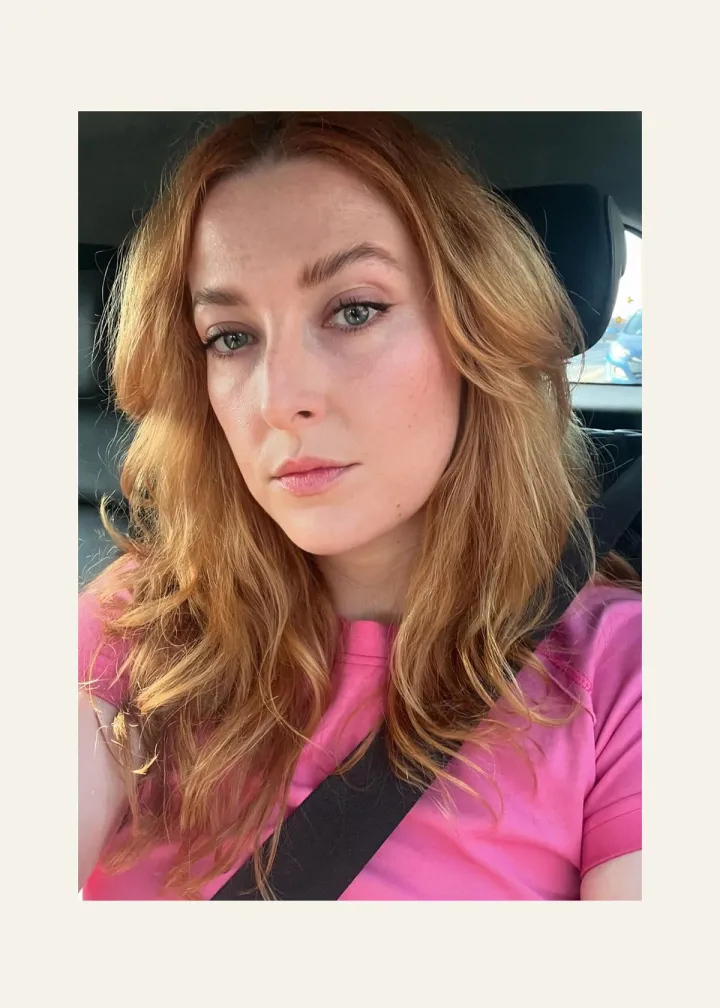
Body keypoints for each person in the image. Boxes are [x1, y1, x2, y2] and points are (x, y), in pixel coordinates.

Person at [79, 112, 641, 901]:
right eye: (231, 337)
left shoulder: (625, 674)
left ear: (475, 332)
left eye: (354, 310)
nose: (278, 400)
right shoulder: (138, 626)